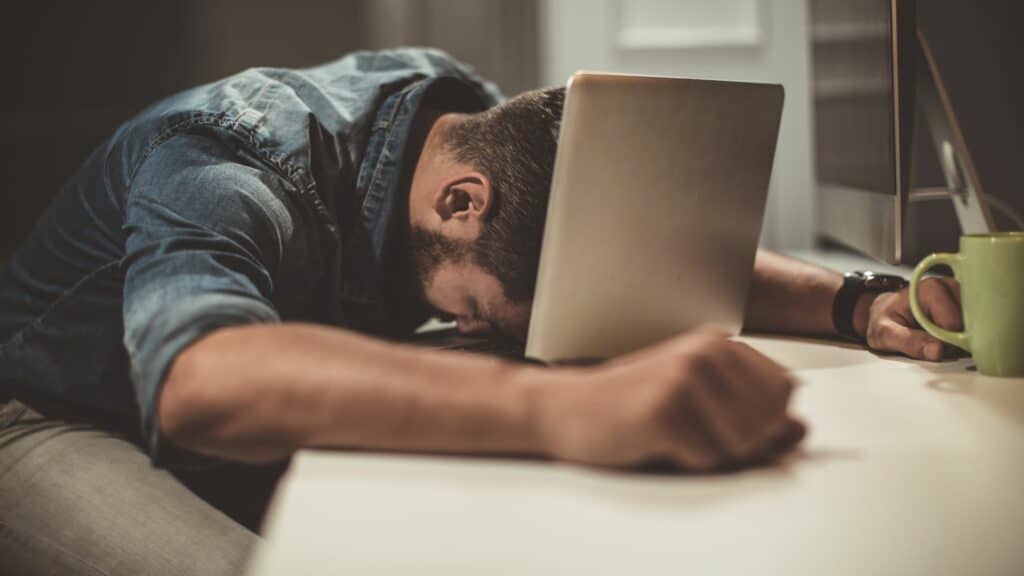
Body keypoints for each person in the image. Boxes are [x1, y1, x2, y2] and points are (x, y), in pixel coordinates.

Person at [0, 48, 964, 576]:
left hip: (262, 373)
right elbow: (197, 383)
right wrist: (572, 412)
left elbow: (636, 255)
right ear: (461, 205)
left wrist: (858, 302)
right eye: (496, 316)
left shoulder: (463, 124)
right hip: (55, 416)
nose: (486, 338)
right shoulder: (220, 168)